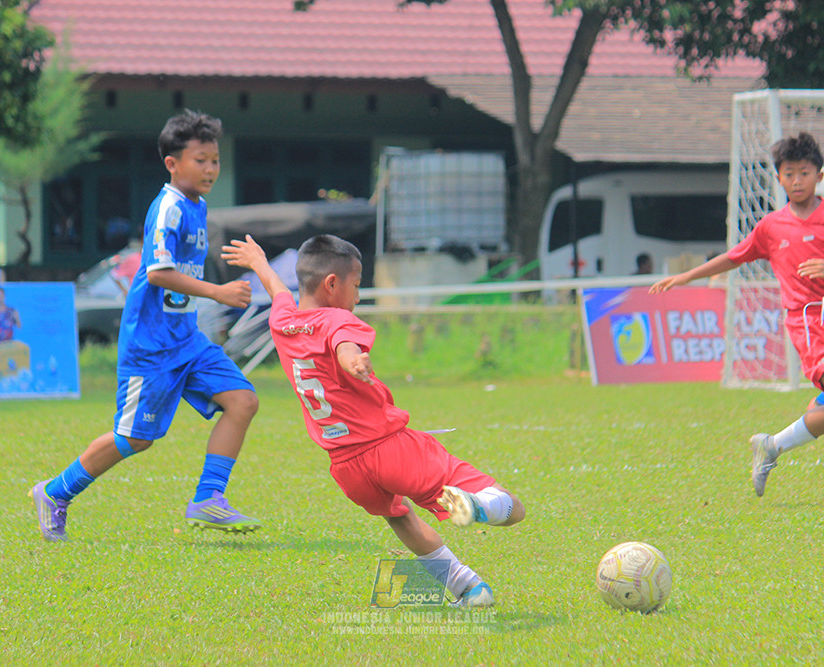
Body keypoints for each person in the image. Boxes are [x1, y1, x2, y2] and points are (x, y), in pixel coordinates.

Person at [221, 233, 525, 607]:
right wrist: (352, 361)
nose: (359, 297)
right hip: (389, 449)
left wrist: (258, 262)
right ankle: (481, 506)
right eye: (357, 285)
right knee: (513, 509)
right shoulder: (338, 320)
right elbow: (343, 344)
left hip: (347, 467)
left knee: (402, 519)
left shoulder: (282, 321)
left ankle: (468, 589)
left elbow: (277, 289)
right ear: (333, 284)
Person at [29, 110, 262, 541]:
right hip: (151, 346)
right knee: (134, 439)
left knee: (243, 401)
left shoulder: (198, 205)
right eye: (200, 160)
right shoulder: (169, 208)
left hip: (186, 339)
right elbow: (157, 273)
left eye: (214, 160)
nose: (210, 168)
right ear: (172, 163)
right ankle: (55, 492)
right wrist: (219, 291)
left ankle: (208, 498)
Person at [650, 132, 824, 508]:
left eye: (804, 173)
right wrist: (686, 276)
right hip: (807, 322)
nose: (797, 180)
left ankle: (772, 445)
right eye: (789, 174)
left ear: (819, 176)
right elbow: (734, 256)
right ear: (780, 178)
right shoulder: (772, 227)